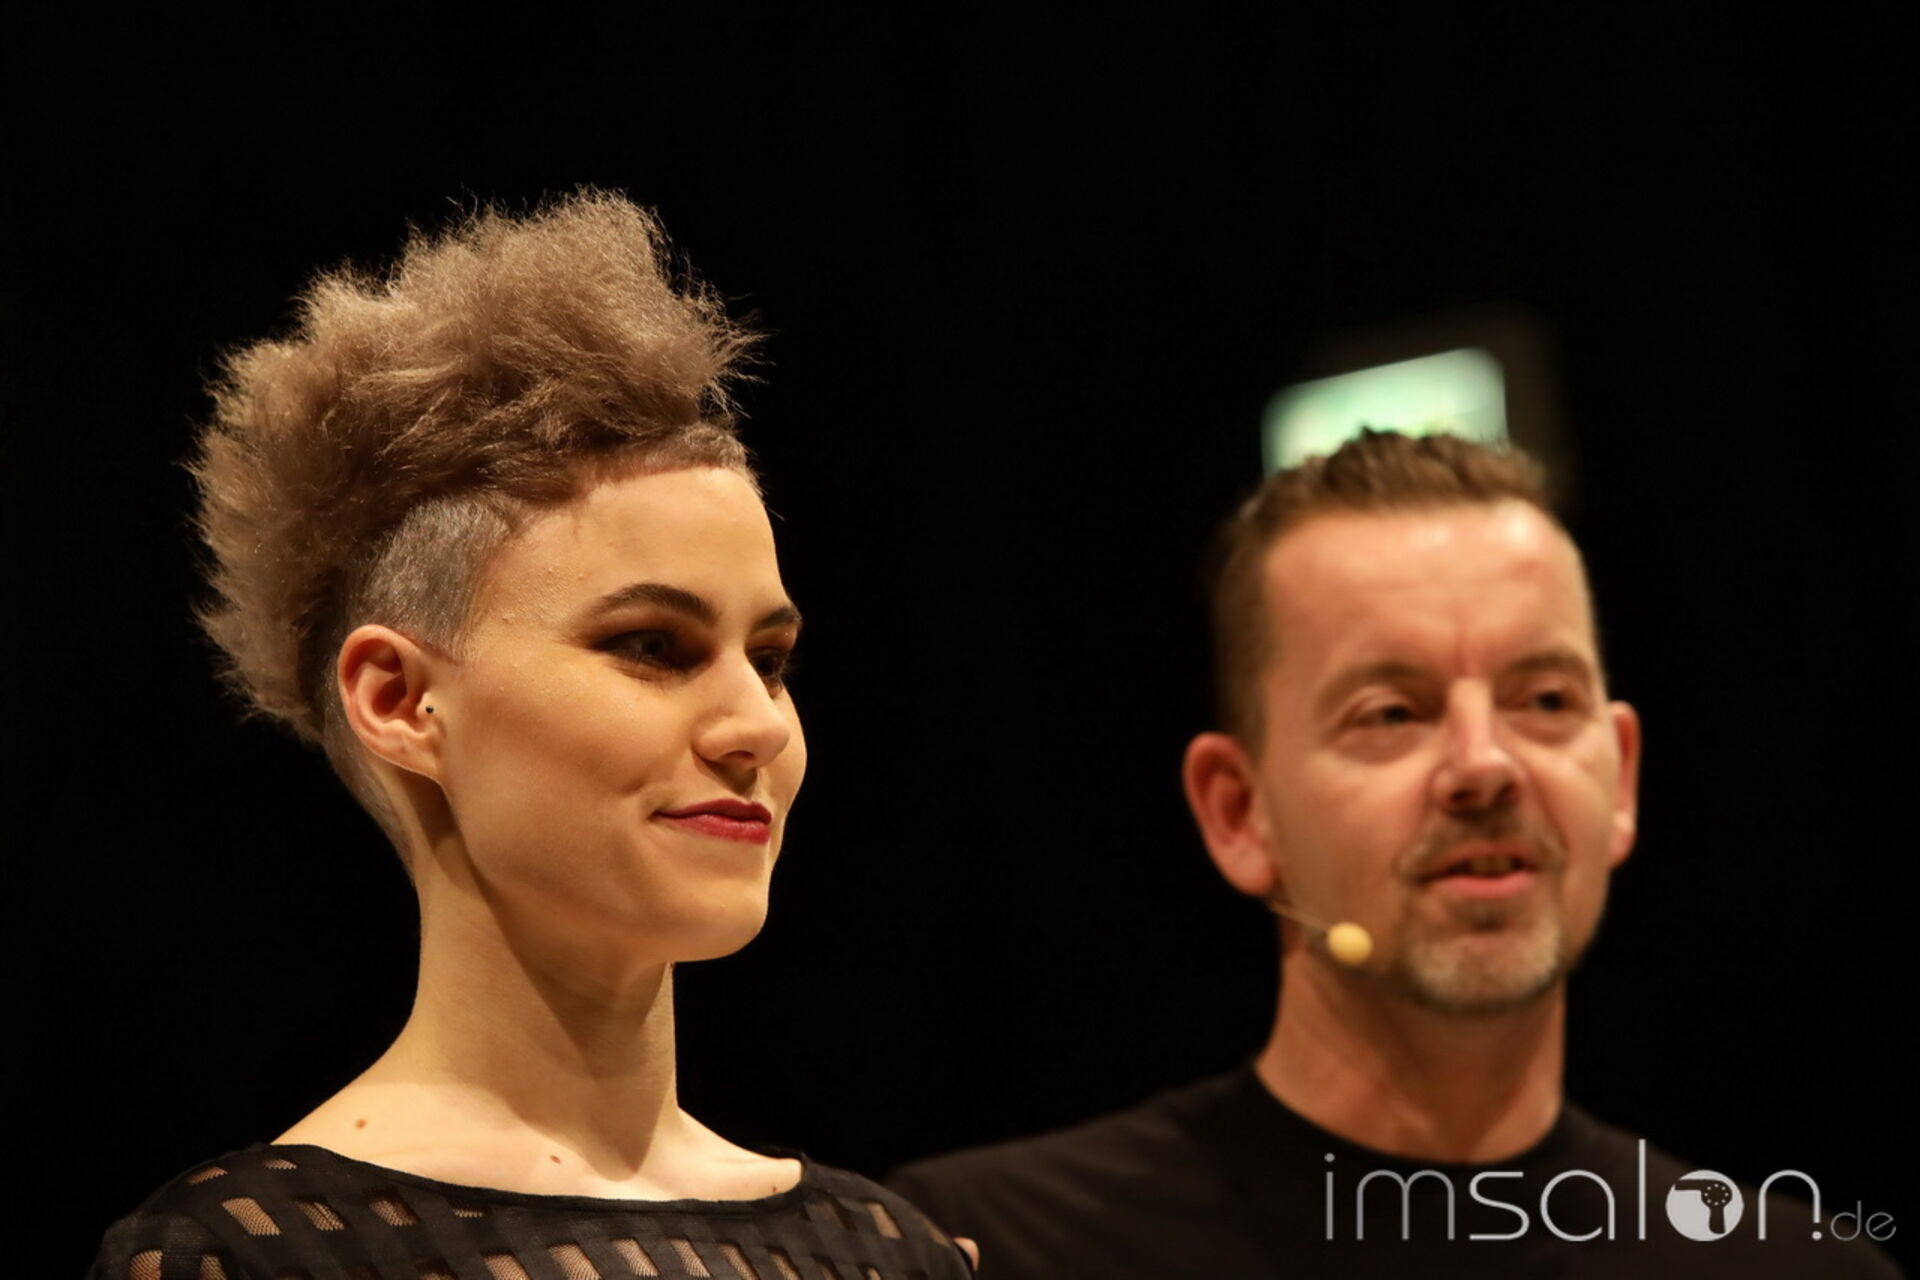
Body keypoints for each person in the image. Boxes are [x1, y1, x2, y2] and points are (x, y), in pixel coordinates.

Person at [90, 192, 972, 1280]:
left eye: (772, 659)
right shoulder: (245, 1257)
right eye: (652, 645)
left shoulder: (890, 1251)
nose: (756, 724)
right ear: (398, 699)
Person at [888, 431, 1898, 1277]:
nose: (1484, 765)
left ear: (1622, 775)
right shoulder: (991, 1248)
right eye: (1392, 713)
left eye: (1545, 699)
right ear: (1239, 811)